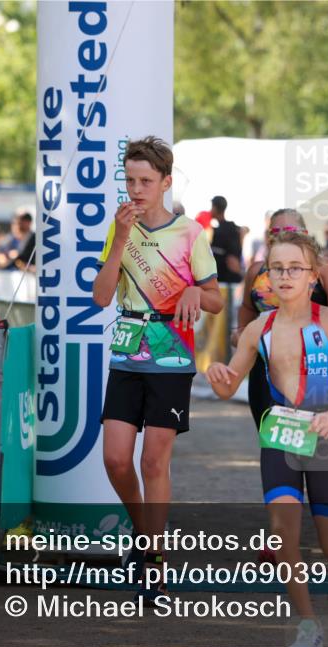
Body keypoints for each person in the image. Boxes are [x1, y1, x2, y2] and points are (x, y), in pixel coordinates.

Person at [206, 230, 328, 647]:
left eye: (294, 268)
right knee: (283, 533)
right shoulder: (258, 328)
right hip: (279, 438)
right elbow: (231, 386)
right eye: (275, 269)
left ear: (313, 276)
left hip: (325, 438)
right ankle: (307, 623)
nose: (284, 276)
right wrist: (220, 378)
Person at [91, 136, 223, 604]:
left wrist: (194, 294)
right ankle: (144, 530)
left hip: (171, 353)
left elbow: (216, 299)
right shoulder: (120, 228)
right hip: (127, 350)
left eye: (146, 181)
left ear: (166, 182)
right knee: (114, 459)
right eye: (130, 180)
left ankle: (153, 559)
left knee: (153, 461)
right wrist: (120, 240)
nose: (137, 189)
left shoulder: (190, 233)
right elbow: (102, 297)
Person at [235, 209, 328, 428]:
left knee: (318, 447)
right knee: (273, 444)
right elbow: (246, 310)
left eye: (289, 230)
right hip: (266, 371)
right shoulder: (257, 271)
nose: (282, 235)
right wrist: (242, 334)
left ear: (306, 234)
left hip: (315, 368)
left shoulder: (324, 268)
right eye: (275, 230)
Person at [208, 195, 244, 283]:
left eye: (212, 207)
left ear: (215, 208)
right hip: (225, 281)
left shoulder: (224, 231)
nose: (210, 210)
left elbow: (232, 260)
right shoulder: (232, 229)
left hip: (226, 282)